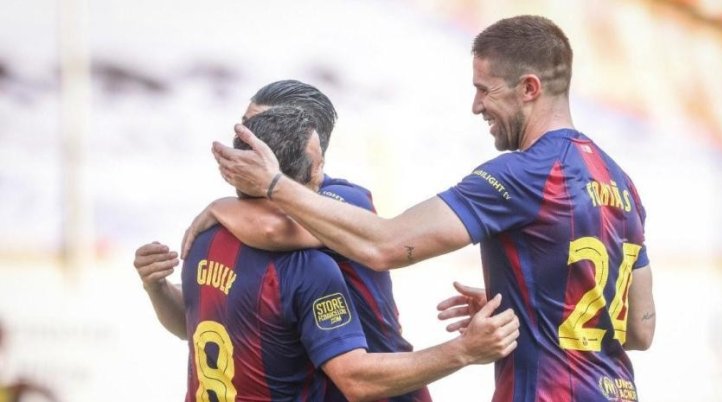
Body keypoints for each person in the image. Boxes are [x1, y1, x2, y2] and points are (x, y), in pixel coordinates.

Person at [212, 15, 656, 402]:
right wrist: (531, 309)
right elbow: (639, 328)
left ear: (529, 88)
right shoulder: (621, 182)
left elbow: (385, 245)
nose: (476, 106)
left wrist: (272, 185)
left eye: (484, 90)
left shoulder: (524, 174)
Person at [175, 106, 519, 401]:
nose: (324, 174)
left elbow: (191, 321)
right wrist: (465, 350)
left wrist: (159, 285)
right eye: (318, 163)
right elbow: (356, 379)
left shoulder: (202, 238)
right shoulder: (310, 264)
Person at [134, 80, 435, 400]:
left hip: (386, 387)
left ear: (303, 138)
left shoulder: (344, 201)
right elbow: (194, 321)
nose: (245, 139)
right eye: (244, 126)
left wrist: (218, 206)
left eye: (258, 128)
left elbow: (274, 228)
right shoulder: (226, 228)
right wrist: (157, 286)